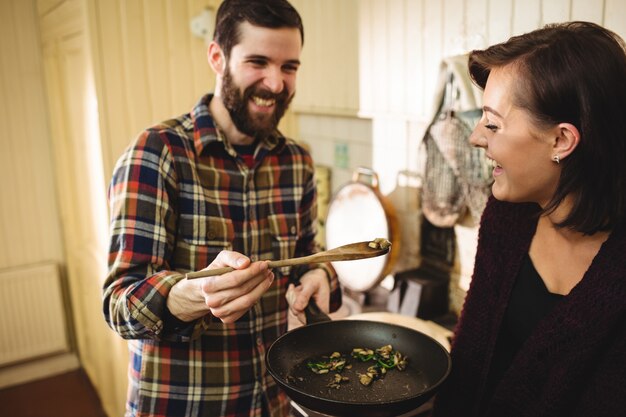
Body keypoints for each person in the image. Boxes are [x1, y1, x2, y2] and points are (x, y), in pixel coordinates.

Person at [102, 1, 341, 416]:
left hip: (277, 402)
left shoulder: (297, 162)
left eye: (289, 67)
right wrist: (188, 296)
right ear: (217, 57)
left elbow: (305, 255)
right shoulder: (157, 154)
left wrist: (320, 274)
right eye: (258, 62)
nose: (276, 83)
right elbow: (119, 306)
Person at [432, 21, 626, 417]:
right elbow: (470, 354)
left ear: (561, 140)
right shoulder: (506, 217)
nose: (476, 138)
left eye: (493, 123)